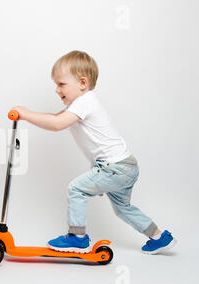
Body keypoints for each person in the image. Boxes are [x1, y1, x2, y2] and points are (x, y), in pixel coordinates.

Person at [10, 50, 176, 255]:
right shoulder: (81, 104)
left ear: (82, 82)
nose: (56, 90)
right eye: (56, 84)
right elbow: (54, 117)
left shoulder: (84, 102)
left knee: (76, 189)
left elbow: (56, 124)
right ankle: (159, 237)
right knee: (123, 208)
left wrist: (26, 115)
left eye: (61, 84)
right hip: (125, 166)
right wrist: (29, 114)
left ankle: (77, 237)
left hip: (114, 168)